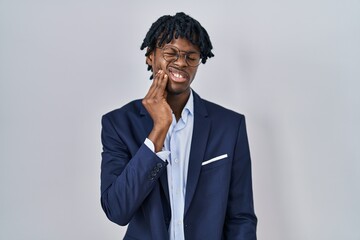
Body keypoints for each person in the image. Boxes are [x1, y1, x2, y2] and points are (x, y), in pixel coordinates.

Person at [100, 12, 257, 240]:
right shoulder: (119, 124)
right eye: (170, 53)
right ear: (150, 56)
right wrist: (159, 130)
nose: (181, 62)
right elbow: (117, 210)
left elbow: (241, 216)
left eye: (191, 57)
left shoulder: (230, 126)